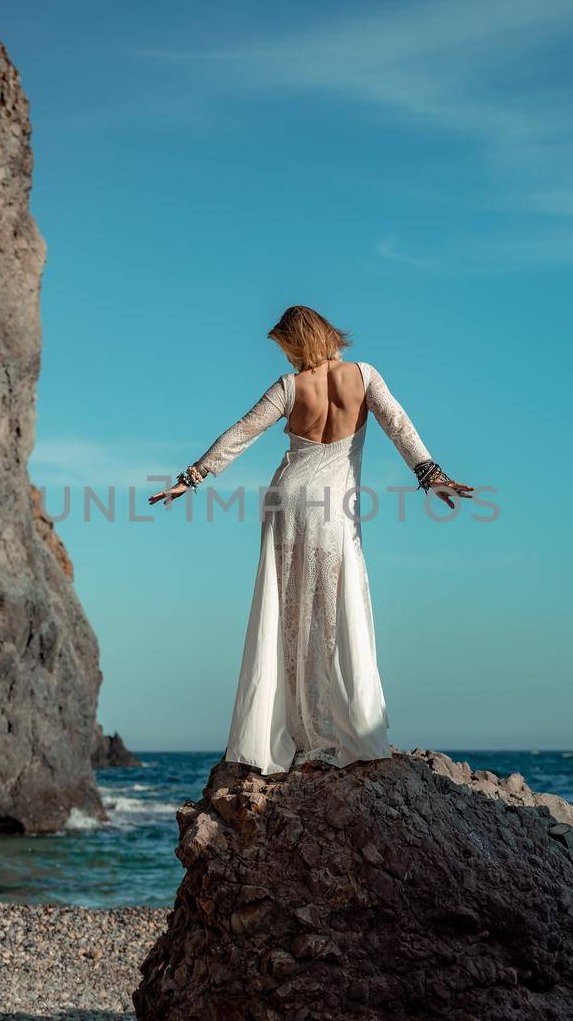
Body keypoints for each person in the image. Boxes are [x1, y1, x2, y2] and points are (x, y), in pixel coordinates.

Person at [149, 305, 472, 772]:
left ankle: (298, 733)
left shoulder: (289, 388)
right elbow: (399, 426)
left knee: (288, 614)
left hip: (288, 503)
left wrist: (192, 477)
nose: (286, 360)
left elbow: (241, 433)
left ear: (298, 343)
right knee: (335, 613)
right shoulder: (363, 376)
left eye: (287, 349)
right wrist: (431, 475)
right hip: (333, 512)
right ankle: (341, 728)